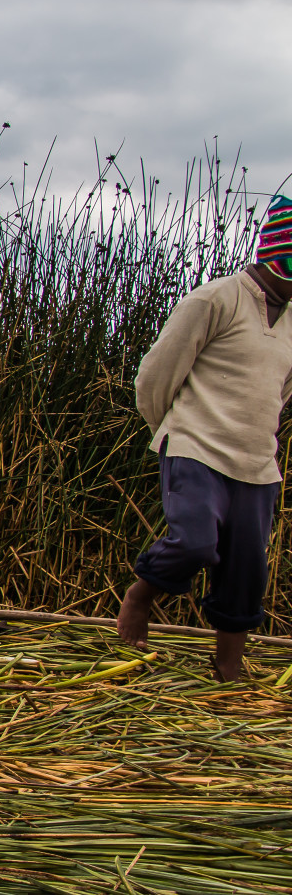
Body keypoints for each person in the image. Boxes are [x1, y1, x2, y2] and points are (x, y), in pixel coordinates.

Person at [118, 195, 292, 682]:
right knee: (195, 542)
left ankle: (228, 668)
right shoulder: (215, 299)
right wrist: (174, 434)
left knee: (246, 569)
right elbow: (155, 378)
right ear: (275, 257)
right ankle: (141, 596)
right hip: (196, 448)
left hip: (256, 463)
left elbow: (280, 392)